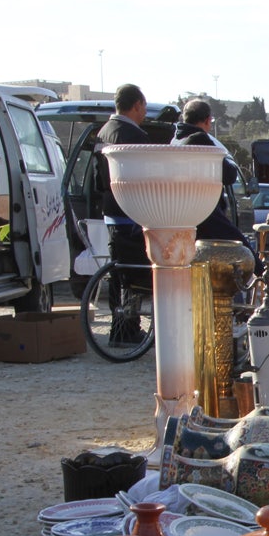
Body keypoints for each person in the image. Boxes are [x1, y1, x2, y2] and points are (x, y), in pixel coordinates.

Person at [93, 84, 154, 345]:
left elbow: (97, 180)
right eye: (144, 107)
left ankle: (120, 330)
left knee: (119, 272)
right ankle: (128, 327)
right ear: (137, 104)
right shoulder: (133, 135)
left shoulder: (103, 133)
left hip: (111, 211)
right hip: (133, 213)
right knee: (137, 273)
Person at [172, 99, 258, 261]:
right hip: (205, 211)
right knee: (242, 252)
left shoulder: (174, 140)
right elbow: (229, 174)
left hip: (181, 214)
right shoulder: (200, 139)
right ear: (207, 120)